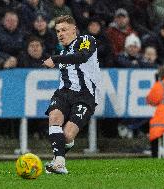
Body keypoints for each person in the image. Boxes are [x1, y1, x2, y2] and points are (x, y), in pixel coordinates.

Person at [42, 15, 101, 174]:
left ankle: (58, 158)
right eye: (58, 31)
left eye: (64, 30)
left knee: (67, 135)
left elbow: (82, 57)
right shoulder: (62, 50)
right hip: (63, 93)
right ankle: (60, 163)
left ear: (74, 29)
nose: (60, 34)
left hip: (85, 95)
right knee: (54, 118)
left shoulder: (86, 40)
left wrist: (54, 58)